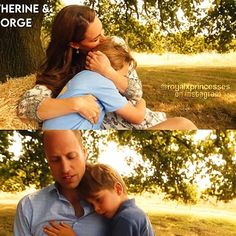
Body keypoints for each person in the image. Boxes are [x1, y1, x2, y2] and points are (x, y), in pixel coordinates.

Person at [18, 5, 196, 130]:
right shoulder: (62, 70)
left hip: (138, 117)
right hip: (118, 124)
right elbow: (26, 106)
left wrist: (108, 72)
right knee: (184, 124)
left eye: (102, 30)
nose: (104, 38)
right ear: (74, 44)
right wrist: (76, 103)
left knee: (184, 124)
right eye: (95, 38)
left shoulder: (114, 44)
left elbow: (136, 93)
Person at [14, 130, 109, 236]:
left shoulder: (110, 203)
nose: (65, 169)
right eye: (55, 160)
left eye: (71, 156)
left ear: (84, 153)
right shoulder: (28, 206)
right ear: (48, 161)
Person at [42, 38, 146, 129]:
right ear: (110, 68)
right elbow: (137, 117)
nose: (125, 78)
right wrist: (141, 101)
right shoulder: (102, 83)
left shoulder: (82, 76)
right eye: (124, 75)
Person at [44, 163, 155, 236]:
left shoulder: (125, 219)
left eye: (99, 199)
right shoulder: (134, 213)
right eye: (91, 205)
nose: (96, 209)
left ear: (118, 189)